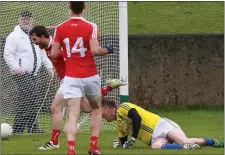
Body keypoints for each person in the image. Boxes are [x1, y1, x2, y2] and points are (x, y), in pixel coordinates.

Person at [29, 25, 124, 151]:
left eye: (34, 39)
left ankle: (55, 142)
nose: (34, 43)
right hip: (72, 79)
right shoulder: (49, 45)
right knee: (86, 107)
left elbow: (74, 56)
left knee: (56, 108)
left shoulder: (57, 46)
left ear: (42, 37)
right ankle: (107, 88)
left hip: (71, 80)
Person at [51, 2, 114, 154]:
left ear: (69, 7)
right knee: (96, 109)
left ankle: (71, 149)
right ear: (84, 7)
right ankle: (93, 146)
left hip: (71, 77)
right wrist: (108, 49)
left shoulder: (60, 28)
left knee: (73, 114)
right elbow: (95, 50)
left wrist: (67, 53)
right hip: (90, 76)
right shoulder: (91, 26)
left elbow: (53, 54)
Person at [101, 99, 224, 150]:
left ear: (107, 108)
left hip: (161, 125)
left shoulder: (122, 107)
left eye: (101, 111)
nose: (101, 116)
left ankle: (213, 142)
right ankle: (185, 149)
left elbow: (136, 117)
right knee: (155, 146)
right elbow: (124, 142)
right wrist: (120, 145)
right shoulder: (118, 124)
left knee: (184, 140)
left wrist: (132, 139)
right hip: (154, 138)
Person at [3, 11, 53, 134]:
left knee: (31, 99)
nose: (26, 21)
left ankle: (30, 127)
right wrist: (16, 68)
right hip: (21, 73)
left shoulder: (34, 35)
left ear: (32, 20)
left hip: (34, 74)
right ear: (19, 19)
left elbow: (42, 52)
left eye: (28, 19)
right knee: (30, 97)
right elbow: (8, 54)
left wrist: (49, 67)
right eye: (24, 18)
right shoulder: (14, 36)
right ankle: (20, 128)